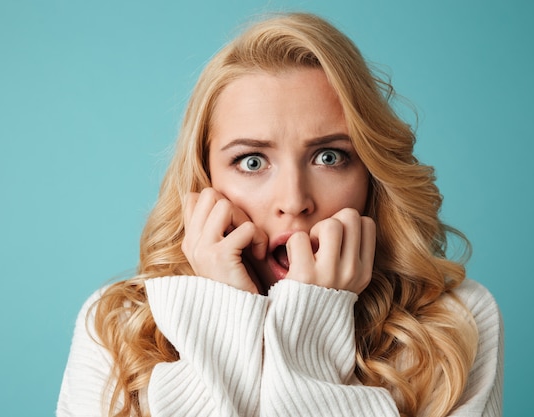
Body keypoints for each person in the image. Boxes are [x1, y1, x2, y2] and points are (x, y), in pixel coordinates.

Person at [57, 12, 503, 417]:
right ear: (205, 179)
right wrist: (221, 316)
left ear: (371, 173)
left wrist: (313, 325)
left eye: (329, 157)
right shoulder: (116, 326)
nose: (294, 201)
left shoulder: (454, 324)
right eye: (252, 161)